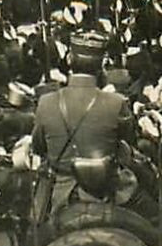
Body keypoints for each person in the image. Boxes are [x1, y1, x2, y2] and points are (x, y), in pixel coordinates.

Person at [31, 33, 135, 209]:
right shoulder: (116, 102)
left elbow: (39, 147)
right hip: (106, 192)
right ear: (102, 64)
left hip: (60, 194)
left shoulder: (46, 101)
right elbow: (129, 141)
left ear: (70, 59)